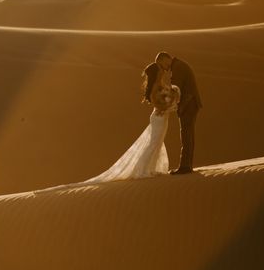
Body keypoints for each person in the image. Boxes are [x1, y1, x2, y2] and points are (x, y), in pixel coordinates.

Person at [34, 62, 180, 192]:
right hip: (159, 117)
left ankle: (149, 168)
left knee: (156, 142)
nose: (162, 72)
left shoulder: (159, 84)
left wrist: (168, 101)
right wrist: (167, 104)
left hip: (161, 117)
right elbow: (156, 102)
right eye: (160, 71)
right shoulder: (155, 86)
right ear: (156, 73)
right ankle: (143, 170)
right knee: (153, 143)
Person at [143, 51, 202, 174]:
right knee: (187, 135)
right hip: (188, 105)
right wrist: (171, 105)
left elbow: (176, 91)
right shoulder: (178, 66)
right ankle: (186, 165)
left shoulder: (178, 68)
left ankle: (185, 167)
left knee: (186, 135)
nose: (164, 69)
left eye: (161, 65)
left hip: (188, 105)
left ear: (165, 59)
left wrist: (171, 105)